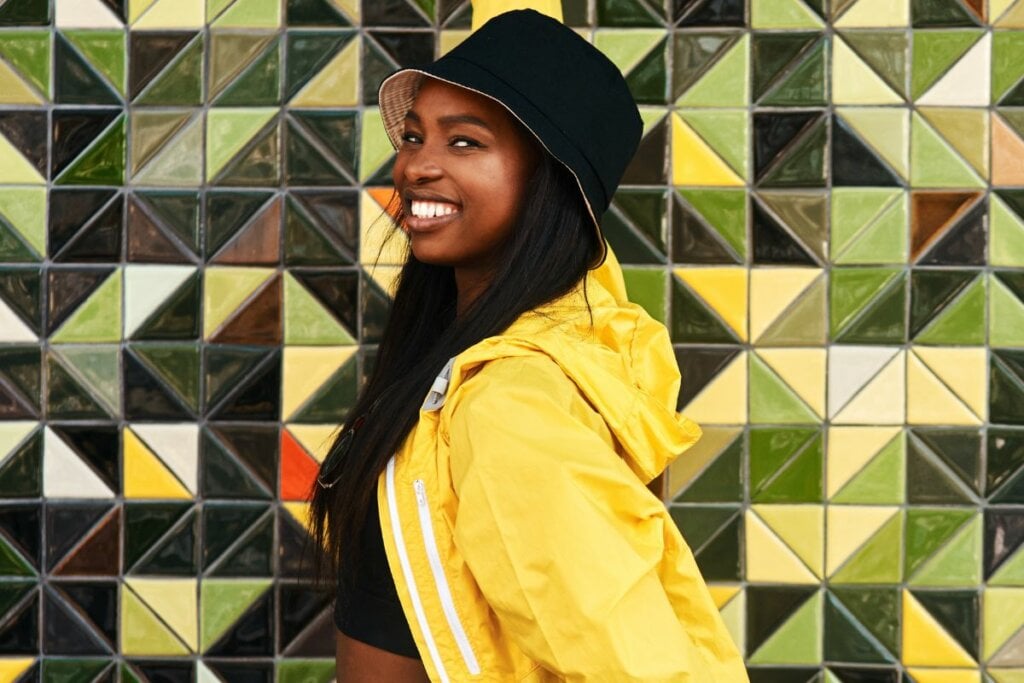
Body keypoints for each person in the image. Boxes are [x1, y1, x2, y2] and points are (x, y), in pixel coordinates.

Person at [309, 1, 748, 680]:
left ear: (550, 180)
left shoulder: (511, 403)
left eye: (464, 142)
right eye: (415, 137)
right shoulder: (540, 341)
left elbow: (624, 656)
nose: (416, 167)